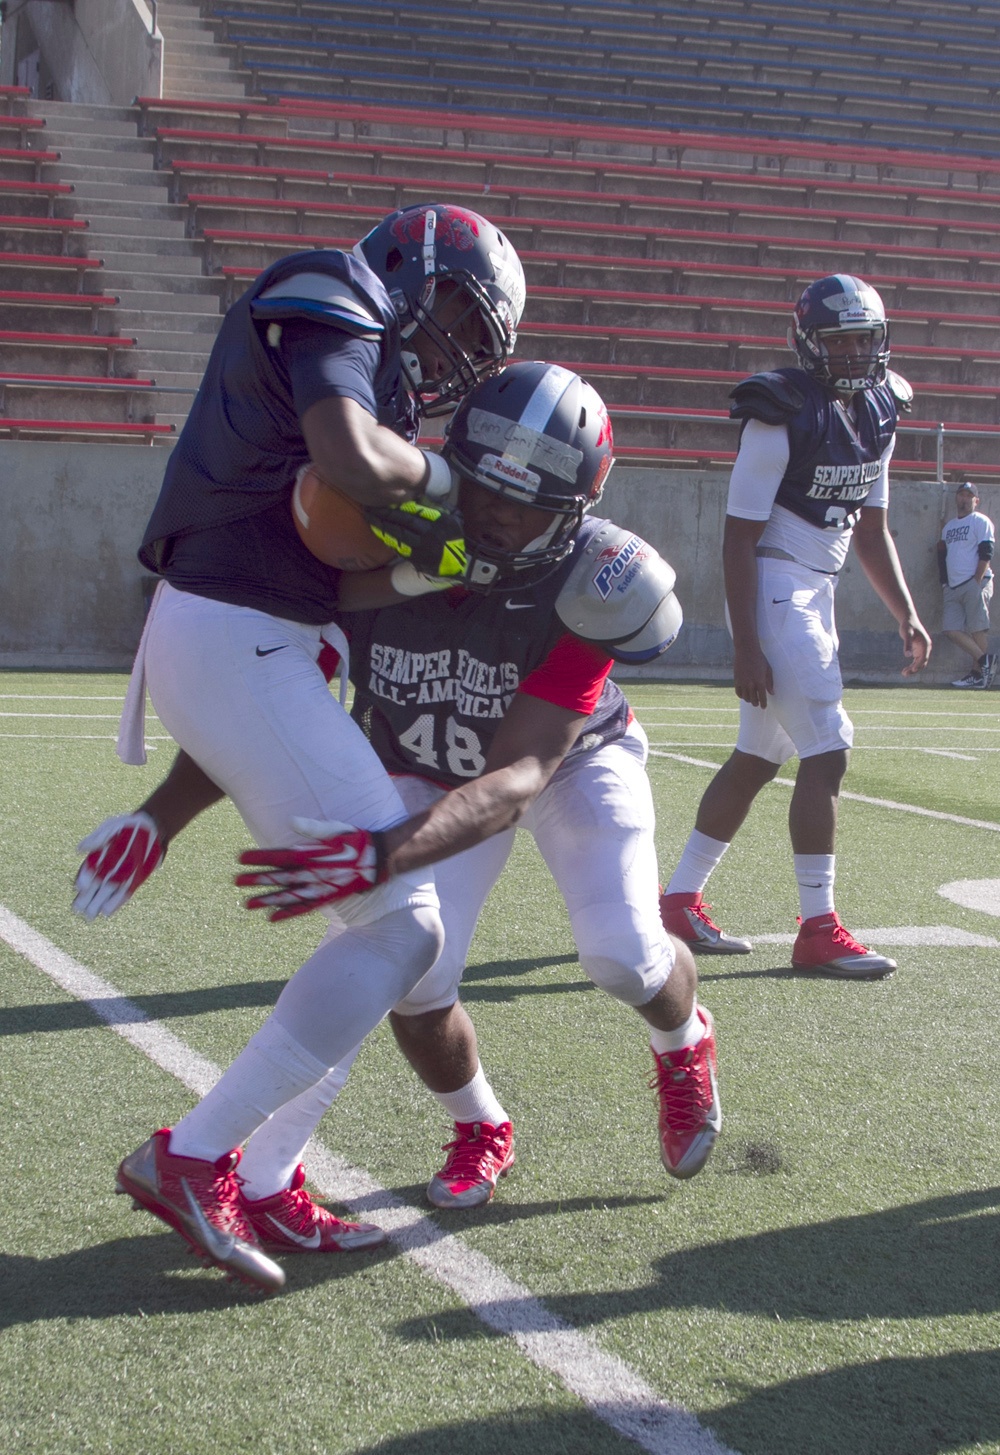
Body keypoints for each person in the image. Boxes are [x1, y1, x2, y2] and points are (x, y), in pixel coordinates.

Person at [76, 363, 721, 1282]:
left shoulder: (594, 580)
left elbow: (520, 774)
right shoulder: (369, 536)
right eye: (487, 492)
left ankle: (682, 1038)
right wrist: (162, 813)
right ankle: (480, 1124)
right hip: (419, 763)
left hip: (571, 764)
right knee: (411, 971)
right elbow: (274, 701)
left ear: (577, 510)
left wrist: (379, 849)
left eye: (526, 507)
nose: (498, 520)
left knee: (622, 952)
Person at [74, 203, 526, 1293]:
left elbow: (328, 583)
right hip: (234, 635)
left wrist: (432, 568)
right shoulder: (330, 289)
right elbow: (348, 457)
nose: (460, 347)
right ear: (415, 269)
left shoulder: (379, 384)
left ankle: (265, 1182)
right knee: (406, 924)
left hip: (256, 637)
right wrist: (446, 490)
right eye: (464, 312)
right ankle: (191, 1157)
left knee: (380, 934)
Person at [659, 274, 931, 979]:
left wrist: (906, 611)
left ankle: (679, 900)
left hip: (817, 592)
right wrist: (744, 644)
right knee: (830, 749)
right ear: (810, 342)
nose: (854, 353)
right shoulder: (779, 411)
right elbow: (737, 538)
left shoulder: (880, 409)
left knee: (757, 757)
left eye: (865, 338)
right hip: (775, 586)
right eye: (840, 340)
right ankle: (817, 927)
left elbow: (870, 529)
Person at [938, 481, 996, 689]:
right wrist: (945, 583)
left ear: (976, 500)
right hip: (953, 587)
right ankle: (985, 661)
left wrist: (976, 582)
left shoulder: (980, 521)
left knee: (977, 629)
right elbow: (942, 557)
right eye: (961, 494)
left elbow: (986, 552)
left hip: (974, 582)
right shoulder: (949, 527)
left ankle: (978, 674)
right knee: (950, 629)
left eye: (968, 495)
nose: (964, 498)